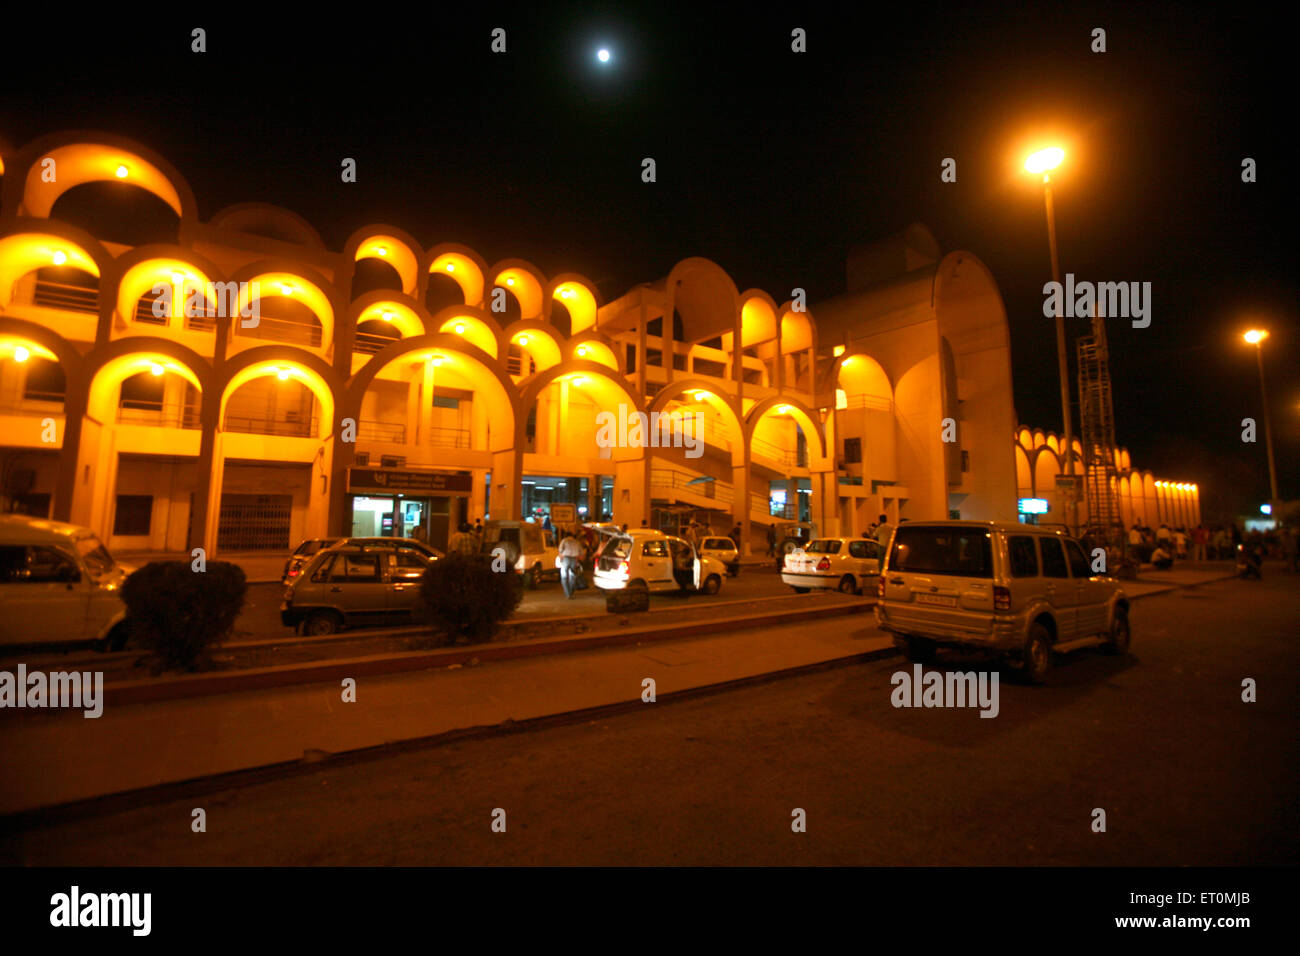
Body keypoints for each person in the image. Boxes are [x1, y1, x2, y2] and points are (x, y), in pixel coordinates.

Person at [557, 530, 585, 599]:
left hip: (565, 559)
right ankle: (571, 591)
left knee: (564, 577)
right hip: (574, 559)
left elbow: (560, 550)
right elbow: (581, 553)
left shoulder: (564, 541)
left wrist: (560, 559)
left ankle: (568, 594)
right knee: (572, 576)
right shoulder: (577, 542)